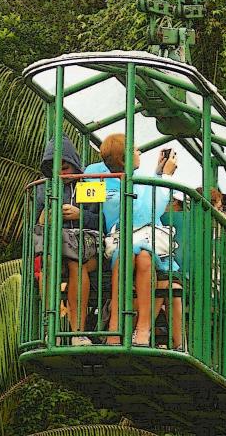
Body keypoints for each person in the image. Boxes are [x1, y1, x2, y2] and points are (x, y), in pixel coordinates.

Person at [84, 133, 178, 346]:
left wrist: (159, 174)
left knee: (144, 257)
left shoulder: (131, 180)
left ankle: (141, 328)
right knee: (127, 255)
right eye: (135, 150)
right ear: (125, 158)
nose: (139, 153)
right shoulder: (109, 183)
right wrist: (167, 178)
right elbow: (147, 211)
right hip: (124, 240)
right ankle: (117, 325)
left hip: (141, 242)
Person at [34, 136, 99, 346]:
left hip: (86, 250)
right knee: (48, 267)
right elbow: (35, 225)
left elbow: (102, 222)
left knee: (76, 264)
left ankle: (77, 332)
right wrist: (46, 217)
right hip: (56, 248)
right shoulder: (44, 189)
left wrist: (81, 215)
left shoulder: (90, 186)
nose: (63, 174)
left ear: (75, 165)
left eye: (66, 167)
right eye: (57, 169)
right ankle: (50, 328)